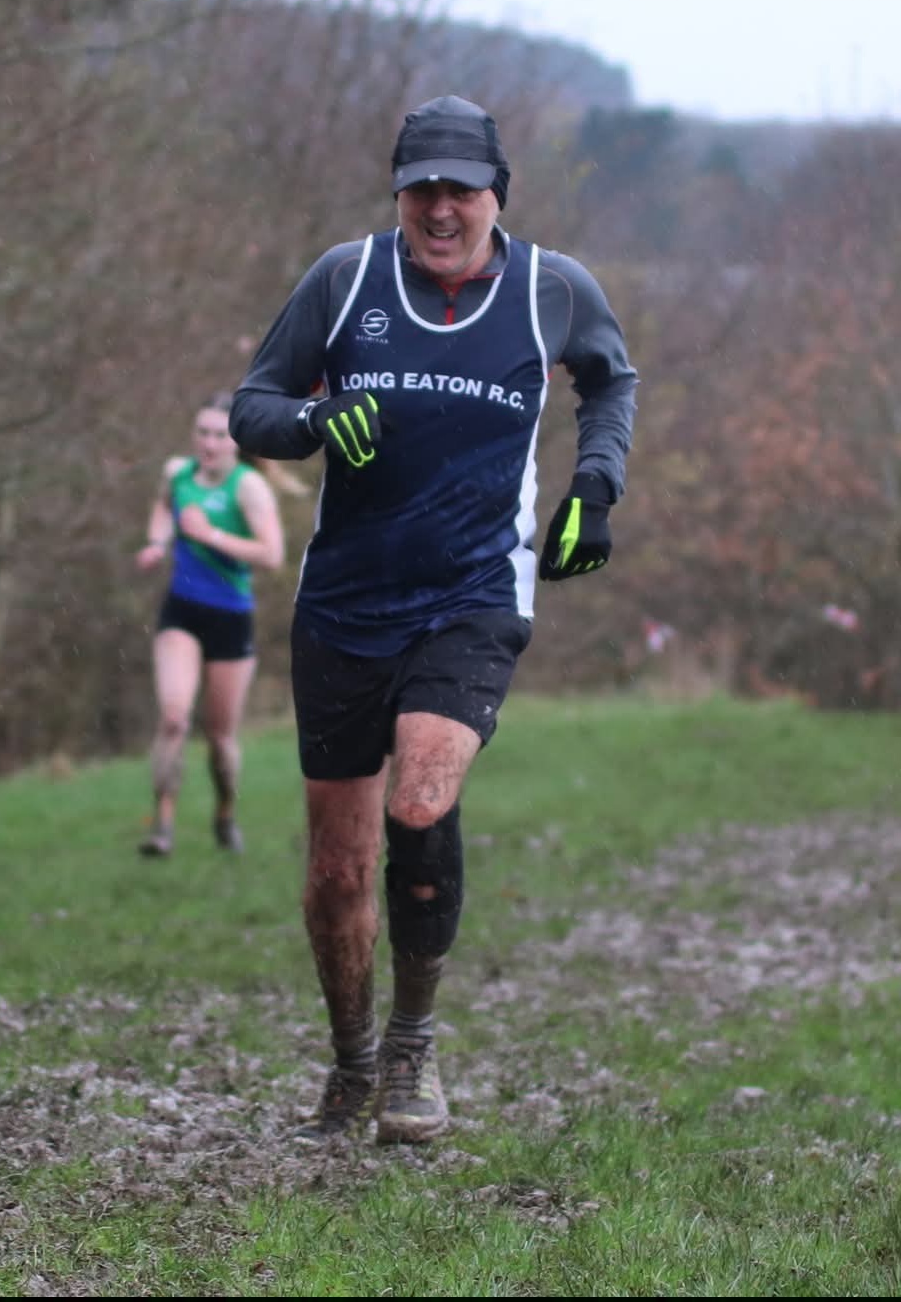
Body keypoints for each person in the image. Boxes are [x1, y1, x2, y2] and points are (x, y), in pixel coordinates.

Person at [228, 95, 638, 1144]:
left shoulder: (552, 289)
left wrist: (595, 485)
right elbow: (252, 408)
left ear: (497, 192)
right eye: (421, 190)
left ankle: (413, 1045)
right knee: (336, 873)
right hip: (345, 602)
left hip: (474, 593)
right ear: (398, 194)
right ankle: (353, 1059)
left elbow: (609, 381)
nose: (440, 209)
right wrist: (317, 418)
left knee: (420, 797)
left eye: (460, 189)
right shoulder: (346, 279)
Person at [134, 393, 286, 857]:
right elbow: (164, 508)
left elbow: (272, 555)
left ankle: (225, 813)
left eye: (220, 435)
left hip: (231, 618)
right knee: (174, 718)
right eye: (203, 432)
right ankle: (162, 826)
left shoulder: (248, 488)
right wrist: (157, 543)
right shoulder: (177, 473)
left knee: (219, 739)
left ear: (236, 441)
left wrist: (210, 535)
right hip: (181, 611)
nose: (209, 443)